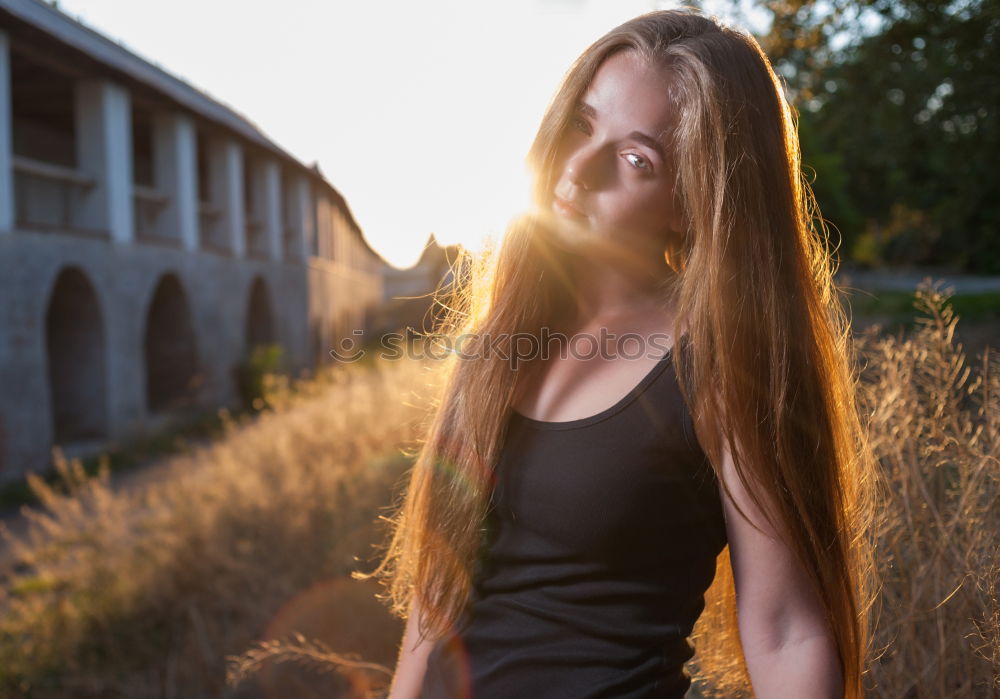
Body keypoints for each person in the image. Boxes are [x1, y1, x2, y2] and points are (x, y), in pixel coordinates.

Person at [357, 8, 878, 698]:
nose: (577, 168)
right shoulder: (503, 337)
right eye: (582, 123)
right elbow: (437, 598)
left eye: (636, 159)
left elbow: (787, 629)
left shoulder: (722, 363)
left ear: (691, 201)